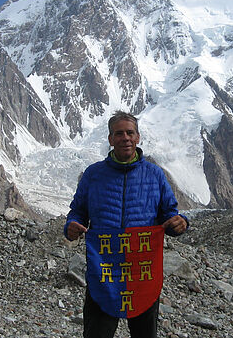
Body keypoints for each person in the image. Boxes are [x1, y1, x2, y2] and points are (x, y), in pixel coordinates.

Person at [64, 110, 188, 338]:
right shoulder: (93, 175)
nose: (125, 138)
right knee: (97, 333)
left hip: (142, 271)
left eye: (130, 132)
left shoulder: (155, 175)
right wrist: (72, 225)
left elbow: (169, 213)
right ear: (110, 140)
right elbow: (78, 212)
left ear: (138, 137)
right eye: (119, 133)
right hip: (104, 270)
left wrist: (179, 224)